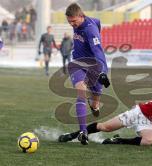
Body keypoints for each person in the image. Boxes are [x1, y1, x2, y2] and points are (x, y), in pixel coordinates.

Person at [60, 3, 110, 145]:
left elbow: (98, 51)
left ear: (81, 16)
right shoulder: (88, 22)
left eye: (74, 21)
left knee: (95, 103)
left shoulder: (91, 30)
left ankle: (94, 105)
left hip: (94, 65)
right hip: (77, 63)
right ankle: (83, 132)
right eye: (69, 21)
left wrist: (102, 72)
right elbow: (98, 21)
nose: (71, 24)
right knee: (81, 90)